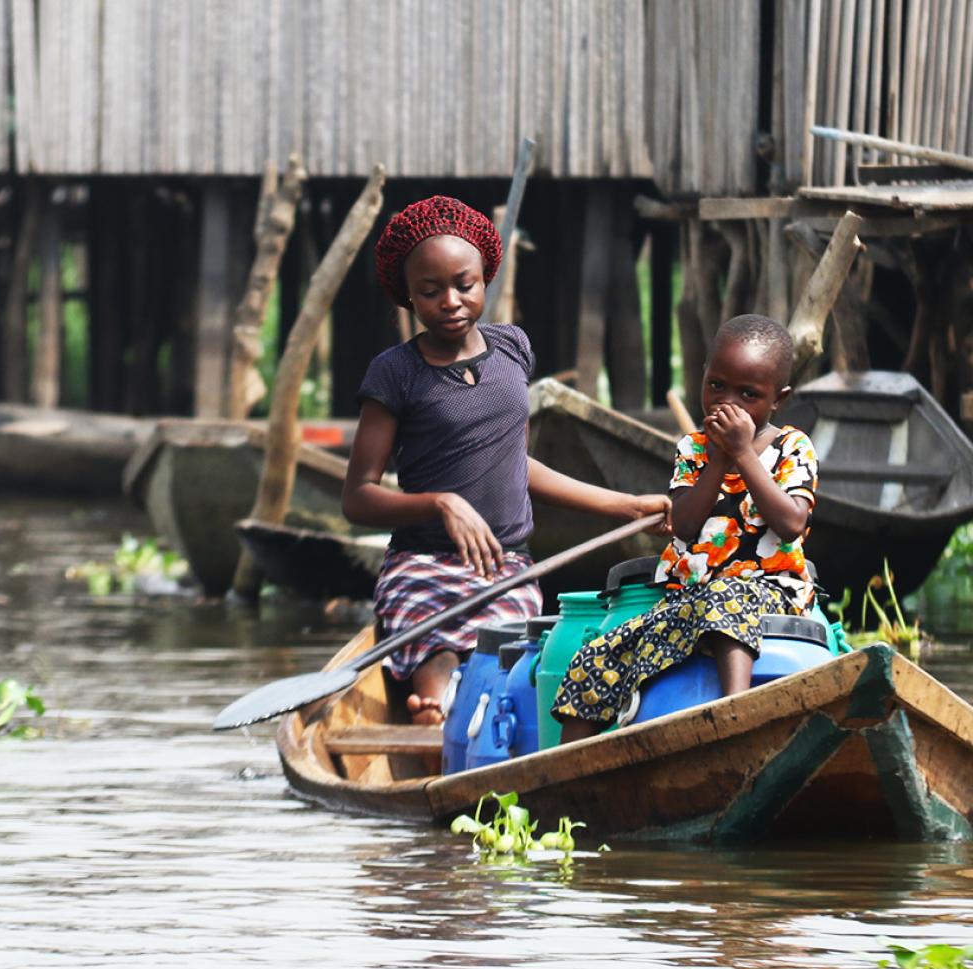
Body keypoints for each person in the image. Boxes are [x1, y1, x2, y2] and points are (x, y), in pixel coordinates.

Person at [342, 195, 670, 724]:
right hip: (422, 565)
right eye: (430, 291)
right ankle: (434, 705)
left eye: (464, 285)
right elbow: (357, 497)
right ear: (407, 296)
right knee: (437, 646)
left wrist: (628, 506)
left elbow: (515, 464)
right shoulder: (394, 373)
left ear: (485, 278)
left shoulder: (513, 348)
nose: (450, 300)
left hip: (504, 568)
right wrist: (440, 503)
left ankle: (460, 709)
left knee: (497, 653)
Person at [553, 313, 819, 743]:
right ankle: (568, 775)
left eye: (748, 394)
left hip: (769, 592)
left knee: (725, 598)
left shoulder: (792, 446)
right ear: (703, 377)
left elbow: (791, 524)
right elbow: (687, 526)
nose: (726, 403)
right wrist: (719, 459)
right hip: (689, 599)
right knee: (595, 657)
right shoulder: (693, 449)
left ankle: (732, 718)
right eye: (717, 386)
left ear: (778, 399)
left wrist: (744, 455)